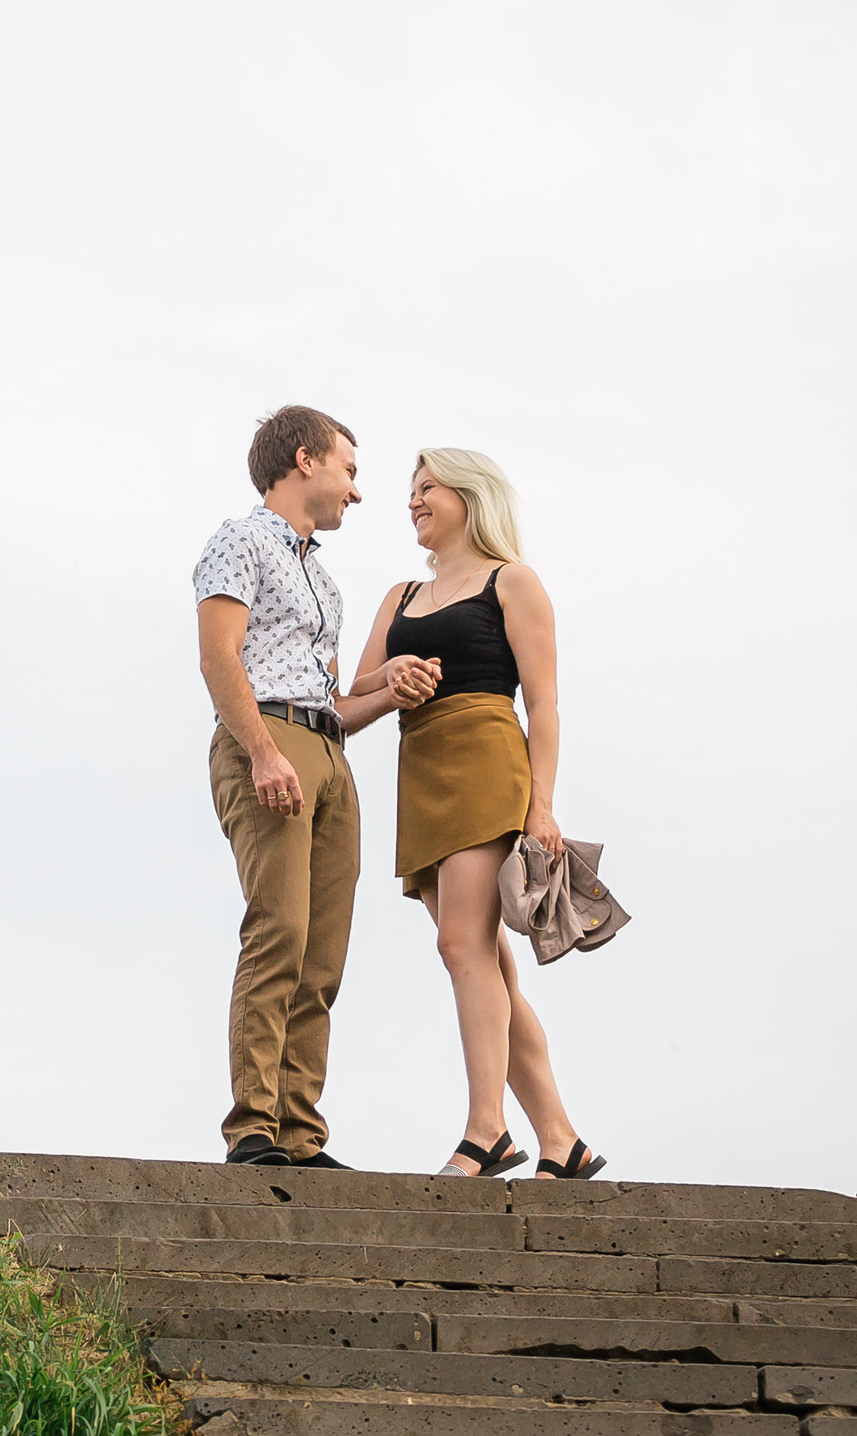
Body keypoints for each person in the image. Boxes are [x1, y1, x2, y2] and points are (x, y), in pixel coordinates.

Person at [352, 447, 606, 1181]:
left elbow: (545, 703)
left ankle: (486, 1128)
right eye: (411, 491)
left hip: (488, 761)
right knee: (487, 960)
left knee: (462, 947)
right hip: (421, 767)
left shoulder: (512, 581)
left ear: (470, 495)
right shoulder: (398, 594)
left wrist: (543, 806)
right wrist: (389, 677)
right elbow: (348, 694)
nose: (413, 501)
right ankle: (560, 1138)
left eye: (427, 487)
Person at [194, 407, 438, 1168]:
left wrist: (387, 686)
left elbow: (332, 699)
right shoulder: (239, 539)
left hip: (329, 750)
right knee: (280, 931)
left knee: (323, 954)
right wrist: (264, 753)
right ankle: (253, 1127)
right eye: (350, 470)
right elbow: (218, 658)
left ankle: (300, 1133)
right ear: (304, 460)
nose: (357, 493)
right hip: (266, 740)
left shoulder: (323, 578)